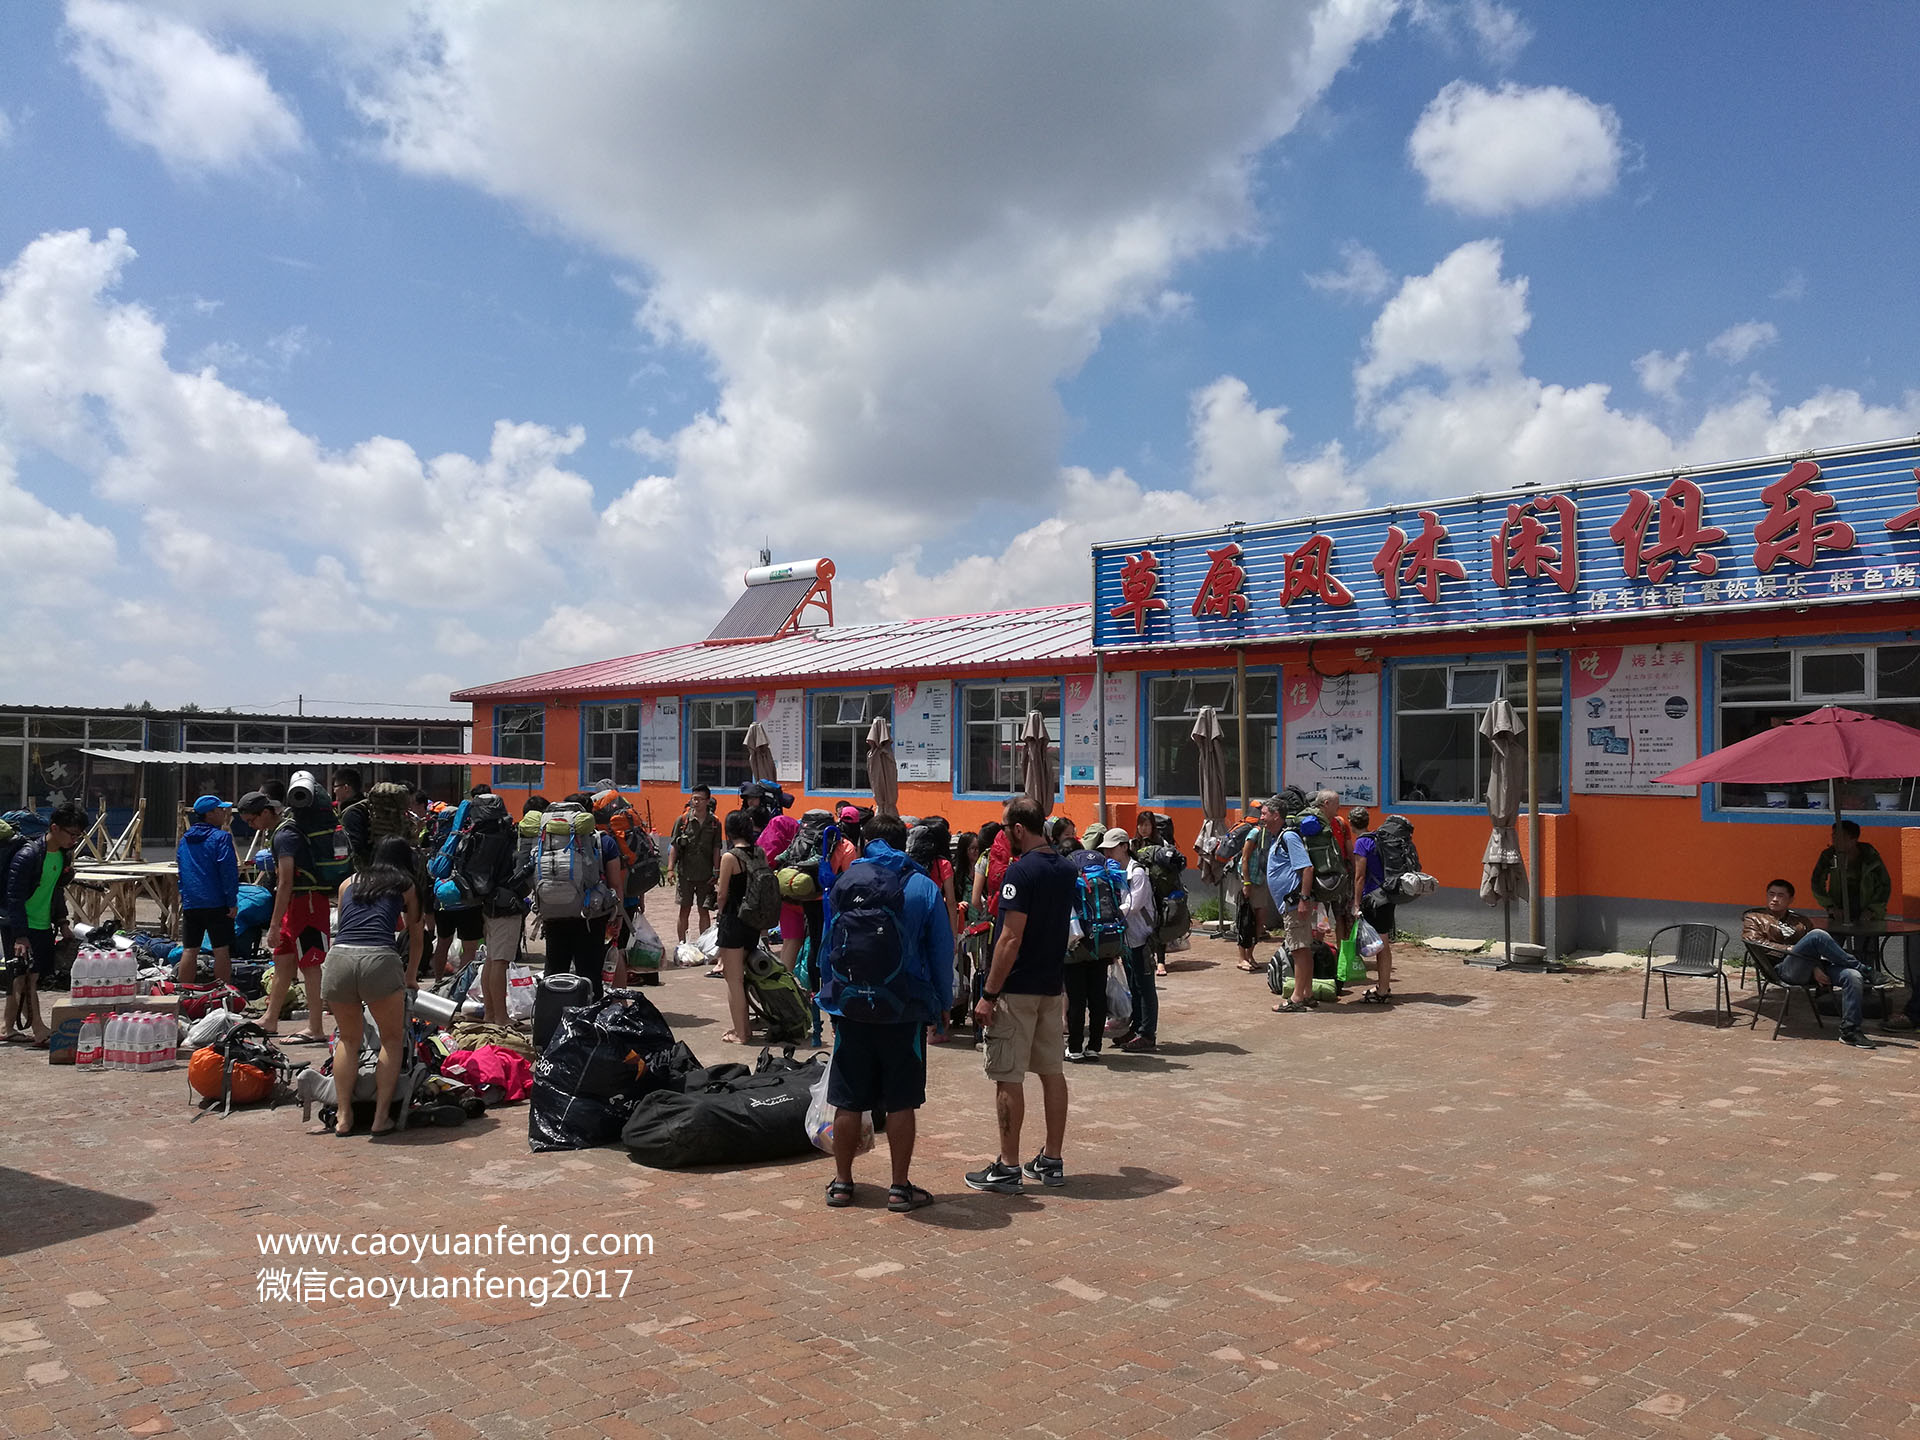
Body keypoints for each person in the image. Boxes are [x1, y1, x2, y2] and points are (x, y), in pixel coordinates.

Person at [818, 813, 952, 1211]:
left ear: (865, 842)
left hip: (851, 1007)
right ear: (904, 843)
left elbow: (829, 946)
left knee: (847, 1099)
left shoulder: (845, 882)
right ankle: (898, 1187)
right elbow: (941, 952)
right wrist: (942, 1004)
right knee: (901, 1100)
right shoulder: (922, 887)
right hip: (905, 1008)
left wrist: (831, 997)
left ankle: (842, 1184)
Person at [965, 796, 1076, 1194]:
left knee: (1008, 1076)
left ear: (1017, 829)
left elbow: (1009, 938)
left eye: (1004, 827)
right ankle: (1053, 1160)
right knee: (1052, 1073)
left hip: (1017, 989)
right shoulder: (1066, 869)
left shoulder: (1020, 873)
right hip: (1051, 985)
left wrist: (989, 994)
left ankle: (1008, 1167)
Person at [322, 837, 426, 1136]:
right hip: (379, 958)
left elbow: (344, 927)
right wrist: (410, 976)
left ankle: (344, 1116)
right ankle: (381, 1117)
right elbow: (417, 937)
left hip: (339, 959)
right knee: (391, 1040)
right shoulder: (406, 885)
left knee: (348, 1040)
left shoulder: (347, 883)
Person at [1743, 877, 1875, 1048]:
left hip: (1809, 967)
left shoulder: (1801, 921)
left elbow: (1817, 950)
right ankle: (1864, 969)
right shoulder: (1754, 918)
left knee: (1852, 976)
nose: (1774, 899)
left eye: (1781, 896)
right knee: (1818, 935)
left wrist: (1815, 967)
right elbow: (1754, 942)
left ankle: (1850, 1031)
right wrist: (1790, 949)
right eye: (1771, 894)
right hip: (1782, 969)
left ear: (1791, 899)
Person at [258, 772, 339, 1045]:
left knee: (311, 966)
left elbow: (285, 881)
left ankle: (315, 1028)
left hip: (308, 905)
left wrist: (272, 924)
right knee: (282, 963)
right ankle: (270, 1018)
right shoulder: (285, 831)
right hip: (295, 907)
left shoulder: (285, 836)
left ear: (269, 812)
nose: (252, 824)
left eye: (254, 818)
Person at [5, 802, 87, 1048]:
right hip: (19, 925)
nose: (74, 839)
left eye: (78, 835)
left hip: (42, 925)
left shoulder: (62, 855)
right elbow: (14, 896)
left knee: (23, 978)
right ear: (54, 828)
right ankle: (39, 1029)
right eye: (71, 834)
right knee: (26, 978)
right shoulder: (28, 855)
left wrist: (62, 921)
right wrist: (20, 935)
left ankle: (7, 1027)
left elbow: (56, 891)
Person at [535, 797, 624, 1000]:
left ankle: (553, 1021)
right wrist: (617, 916)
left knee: (555, 972)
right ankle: (589, 1021)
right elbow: (615, 883)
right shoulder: (603, 841)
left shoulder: (547, 841)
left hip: (553, 914)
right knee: (590, 973)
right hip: (590, 917)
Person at [1063, 829, 1125, 1060]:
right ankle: (1095, 1046)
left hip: (1075, 947)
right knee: (1097, 998)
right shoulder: (1101, 872)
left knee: (1076, 1000)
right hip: (1102, 941)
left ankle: (1075, 1048)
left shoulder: (1066, 873)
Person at [177, 794, 240, 986]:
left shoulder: (185, 840)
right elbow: (228, 871)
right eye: (220, 809)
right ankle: (223, 993)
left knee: (190, 949)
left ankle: (183, 993)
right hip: (217, 902)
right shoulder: (221, 838)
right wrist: (232, 901)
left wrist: (185, 897)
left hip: (191, 902)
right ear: (209, 814)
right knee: (221, 949)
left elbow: (182, 871)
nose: (224, 813)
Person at [711, 808, 761, 1044]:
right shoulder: (758, 852)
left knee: (734, 980)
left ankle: (741, 1033)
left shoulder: (729, 857)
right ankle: (747, 1028)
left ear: (729, 831)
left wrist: (719, 913)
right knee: (745, 977)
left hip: (733, 919)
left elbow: (722, 895)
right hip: (752, 921)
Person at [1264, 797, 1319, 1013]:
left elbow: (1307, 868)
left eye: (1265, 814)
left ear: (1276, 815)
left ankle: (1296, 998)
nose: (1262, 818)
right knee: (1302, 949)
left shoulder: (1289, 837)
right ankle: (1307, 994)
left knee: (1298, 950)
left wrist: (1304, 900)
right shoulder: (1281, 838)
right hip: (1293, 904)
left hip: (1295, 904)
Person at [1111, 829, 1158, 1052]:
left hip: (1141, 936)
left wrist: (1109, 913)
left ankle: (1147, 1033)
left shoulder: (1137, 873)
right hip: (1128, 938)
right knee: (1134, 985)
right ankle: (1137, 1027)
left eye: (1112, 847)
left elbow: (1134, 905)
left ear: (1124, 847)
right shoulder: (1116, 871)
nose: (1109, 852)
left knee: (1145, 986)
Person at [1348, 807, 1396, 1004]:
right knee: (1383, 943)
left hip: (1374, 898)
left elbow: (1359, 877)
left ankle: (1383, 990)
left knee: (1381, 945)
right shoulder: (1378, 838)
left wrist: (1356, 903)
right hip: (1387, 895)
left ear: (1351, 824)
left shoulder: (1362, 842)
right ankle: (1382, 986)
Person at [1810, 820, 1892, 928]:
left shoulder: (1870, 857)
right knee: (1834, 940)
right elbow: (1816, 881)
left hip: (1866, 908)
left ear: (1853, 839)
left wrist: (1873, 909)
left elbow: (1884, 885)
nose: (1835, 840)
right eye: (1833, 835)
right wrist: (1830, 906)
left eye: (1840, 836)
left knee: (1865, 942)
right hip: (1839, 907)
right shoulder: (1829, 855)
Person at [669, 785, 722, 943]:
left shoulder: (715, 823)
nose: (696, 802)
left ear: (707, 801)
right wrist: (670, 869)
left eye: (699, 799)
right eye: (694, 798)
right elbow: (674, 846)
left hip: (705, 875)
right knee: (684, 909)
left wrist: (717, 870)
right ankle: (682, 944)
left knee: (703, 910)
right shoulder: (683, 820)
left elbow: (716, 848)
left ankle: (704, 944)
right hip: (685, 873)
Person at [1233, 815, 1277, 975]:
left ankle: (1250, 954)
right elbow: (1244, 859)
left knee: (1260, 921)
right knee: (1245, 920)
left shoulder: (1271, 835)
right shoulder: (1254, 833)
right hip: (1248, 880)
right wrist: (1246, 883)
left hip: (1261, 881)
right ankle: (1241, 957)